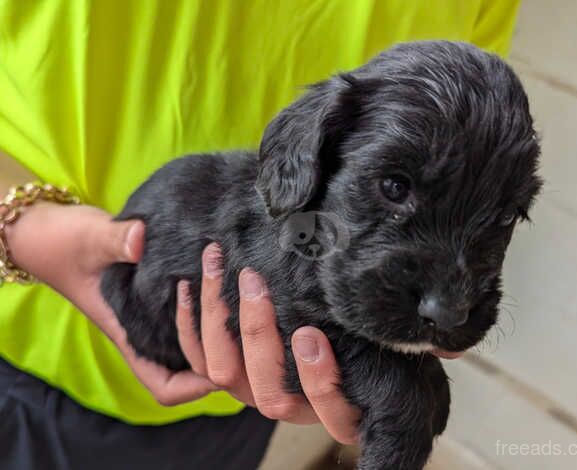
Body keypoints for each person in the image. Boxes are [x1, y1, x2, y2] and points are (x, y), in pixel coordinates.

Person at [0, 1, 520, 468]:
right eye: (392, 186)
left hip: (239, 404)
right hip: (38, 360)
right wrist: (24, 227)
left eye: (505, 217)